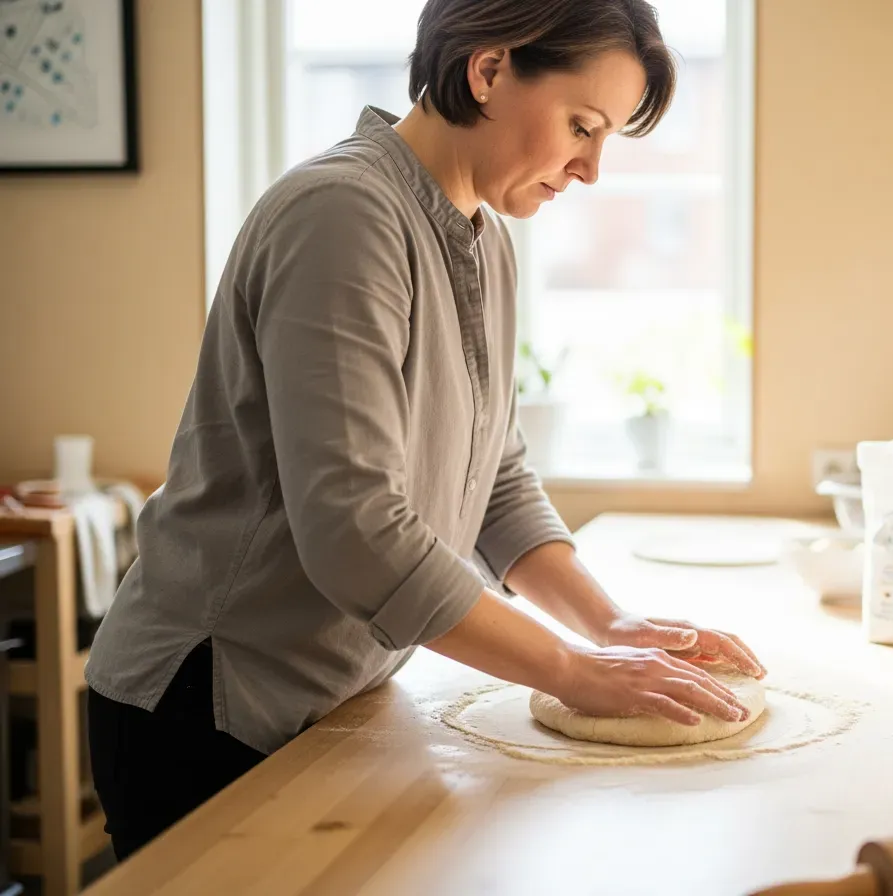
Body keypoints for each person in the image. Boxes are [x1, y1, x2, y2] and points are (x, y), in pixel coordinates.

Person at [84, 0, 765, 864]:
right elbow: (355, 530)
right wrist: (569, 671)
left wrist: (610, 624)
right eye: (582, 126)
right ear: (488, 71)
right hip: (208, 702)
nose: (592, 169)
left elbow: (496, 477)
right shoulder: (342, 215)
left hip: (331, 695)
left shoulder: (484, 237)